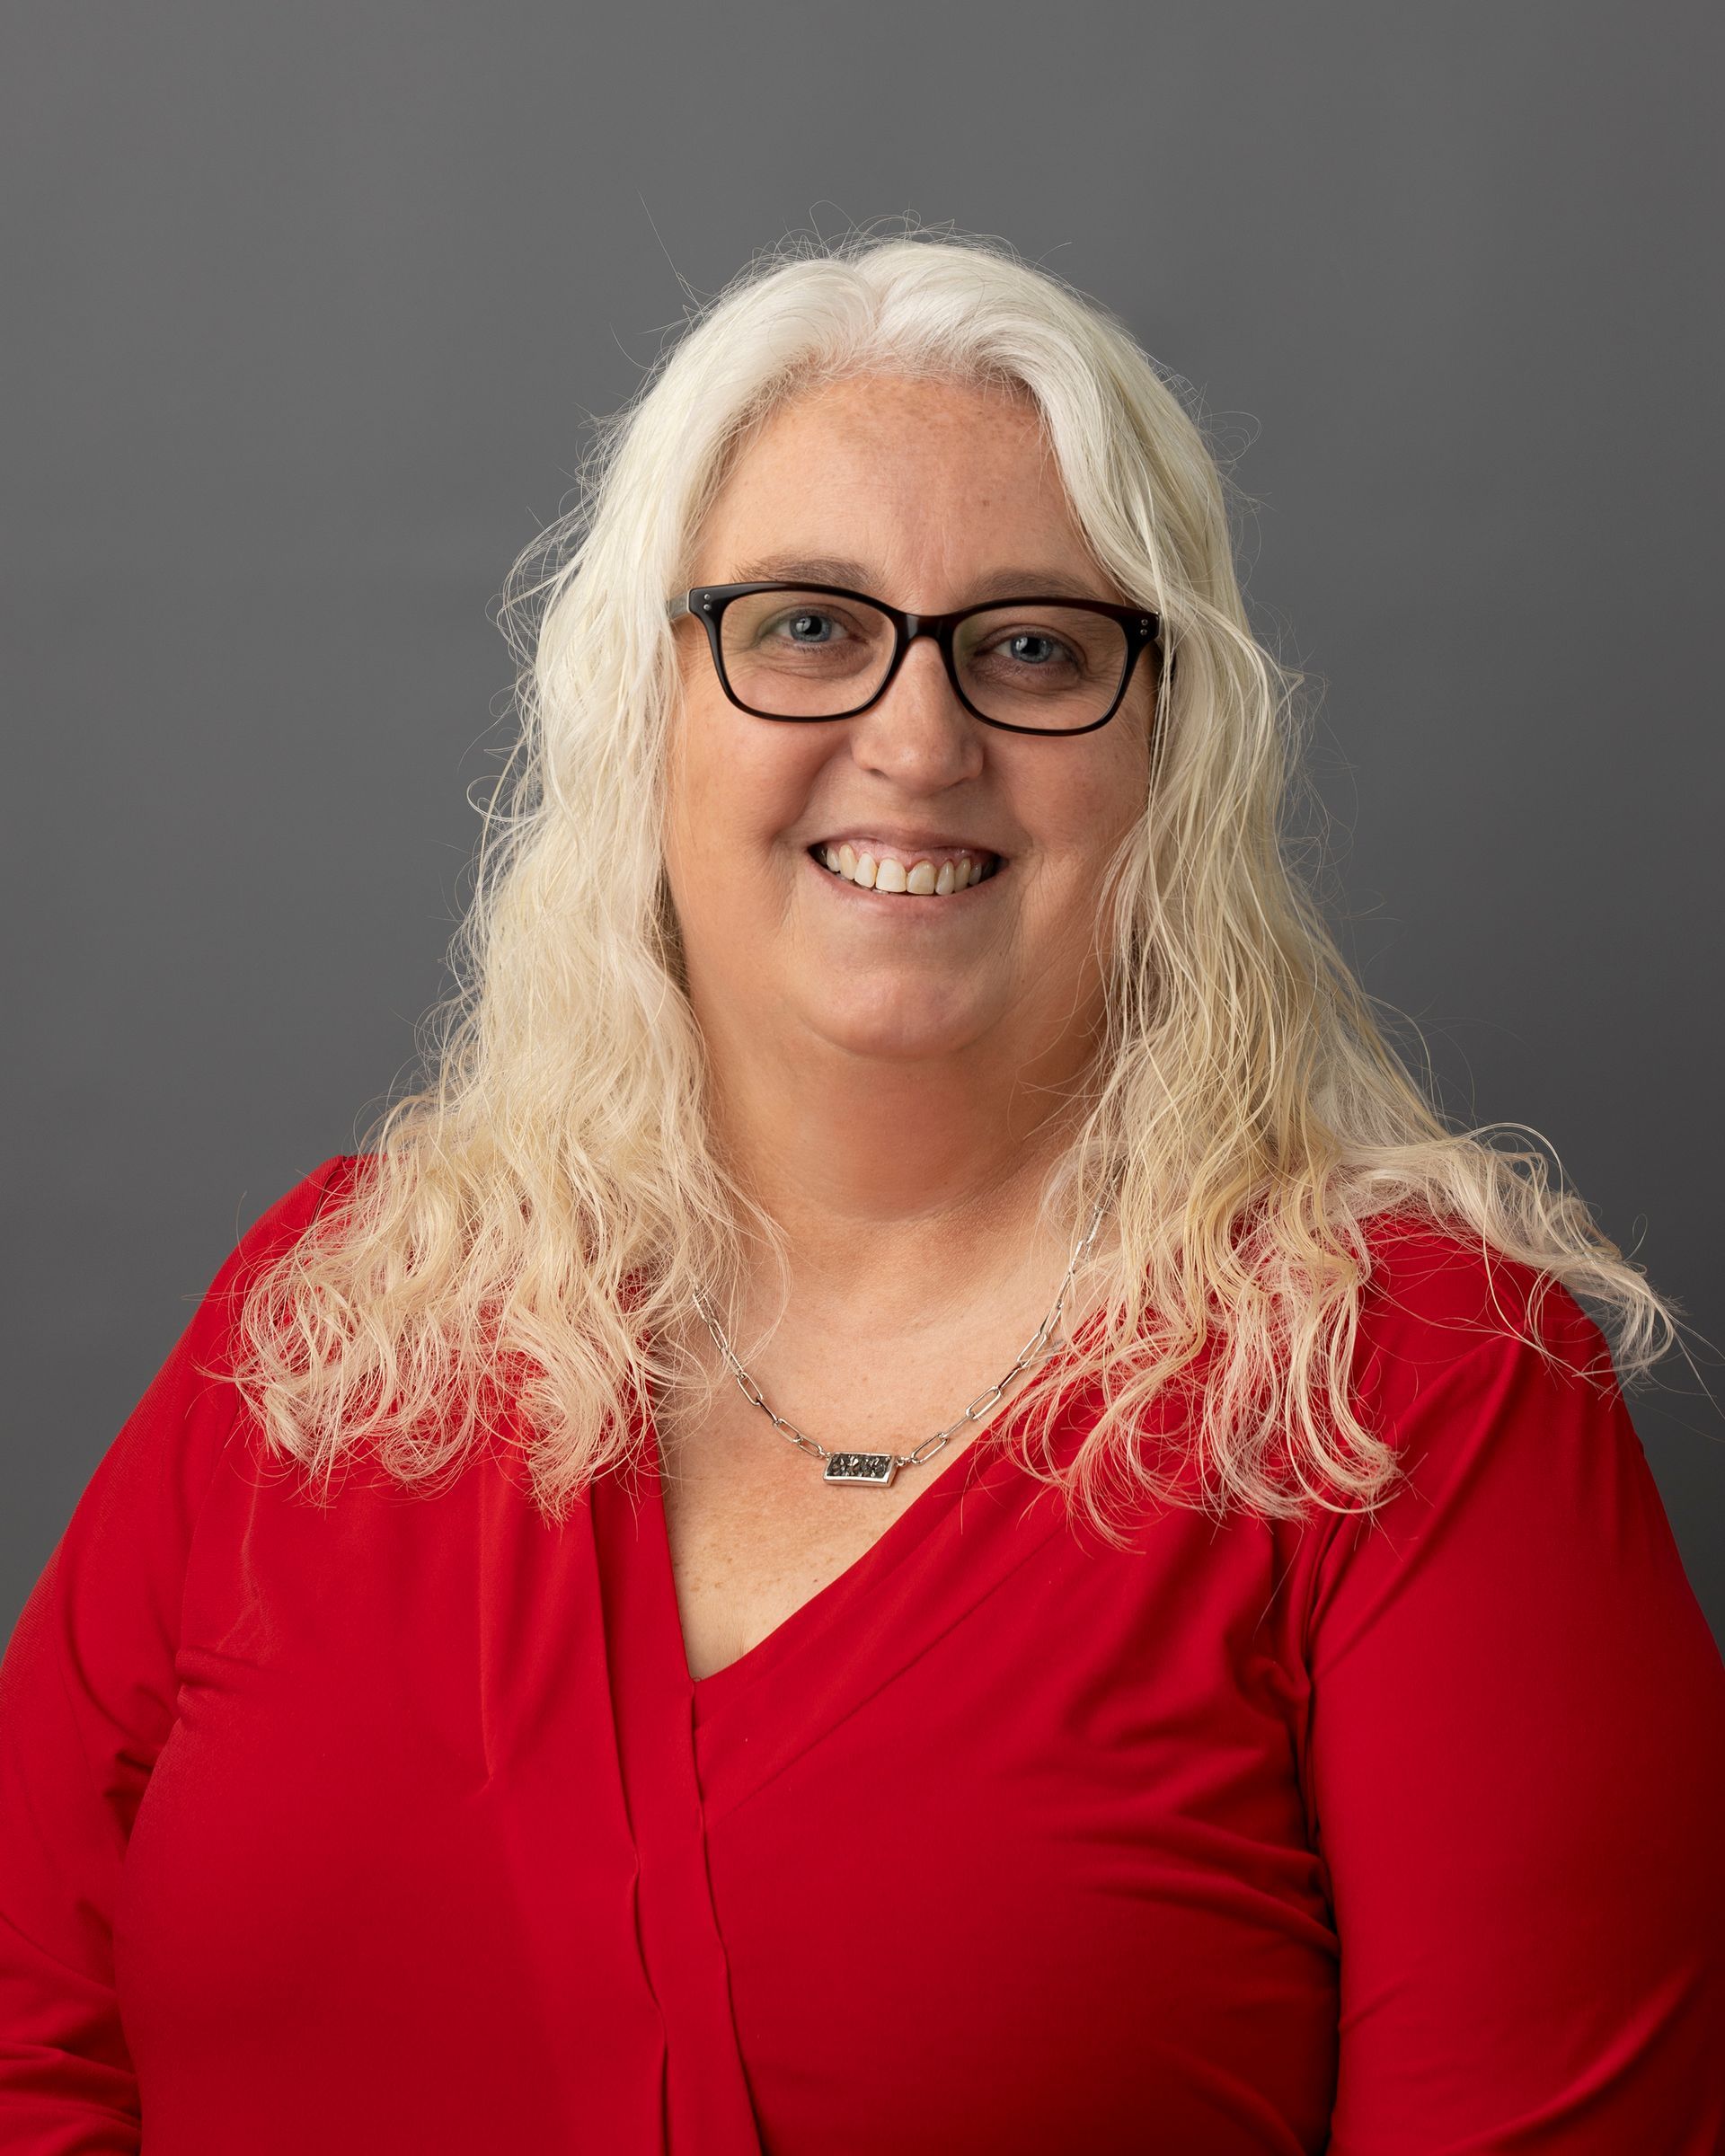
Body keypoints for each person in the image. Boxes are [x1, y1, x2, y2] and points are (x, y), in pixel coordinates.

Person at [2, 229, 1722, 2155]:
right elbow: (26, 2045)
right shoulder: (332, 1326)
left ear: (1175, 755)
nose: (917, 741)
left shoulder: (1412, 1398)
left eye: (1038, 649)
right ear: (642, 707)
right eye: (808, 624)